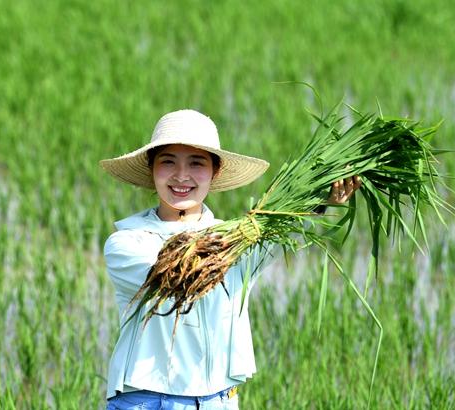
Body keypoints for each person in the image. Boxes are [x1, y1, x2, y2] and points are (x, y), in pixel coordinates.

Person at [99, 109, 361, 409]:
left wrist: (321, 199)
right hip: (148, 401)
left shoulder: (242, 238)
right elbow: (177, 274)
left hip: (219, 401)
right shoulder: (128, 242)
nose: (181, 176)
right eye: (168, 162)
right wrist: (245, 233)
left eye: (196, 163)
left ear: (215, 171)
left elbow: (285, 230)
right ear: (151, 169)